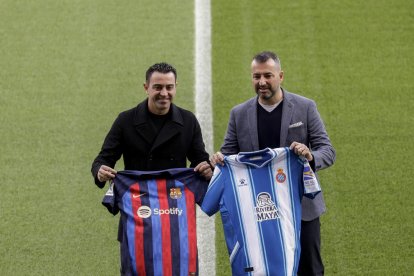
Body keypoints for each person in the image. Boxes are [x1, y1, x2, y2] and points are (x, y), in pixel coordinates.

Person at [210, 51, 336, 276]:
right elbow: (227, 154)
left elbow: (327, 151)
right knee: (266, 269)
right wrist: (217, 159)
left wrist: (310, 156)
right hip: (260, 210)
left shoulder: (305, 107)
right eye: (256, 77)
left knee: (310, 269)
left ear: (281, 76)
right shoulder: (239, 114)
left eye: (267, 75)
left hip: (302, 208)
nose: (262, 82)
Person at [91, 62, 212, 274]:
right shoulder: (126, 120)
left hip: (175, 216)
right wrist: (101, 171)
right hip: (138, 215)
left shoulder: (188, 121)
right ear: (146, 87)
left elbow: (200, 159)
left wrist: (207, 168)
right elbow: (102, 159)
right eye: (157, 87)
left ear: (176, 87)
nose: (164, 93)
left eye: (169, 87)